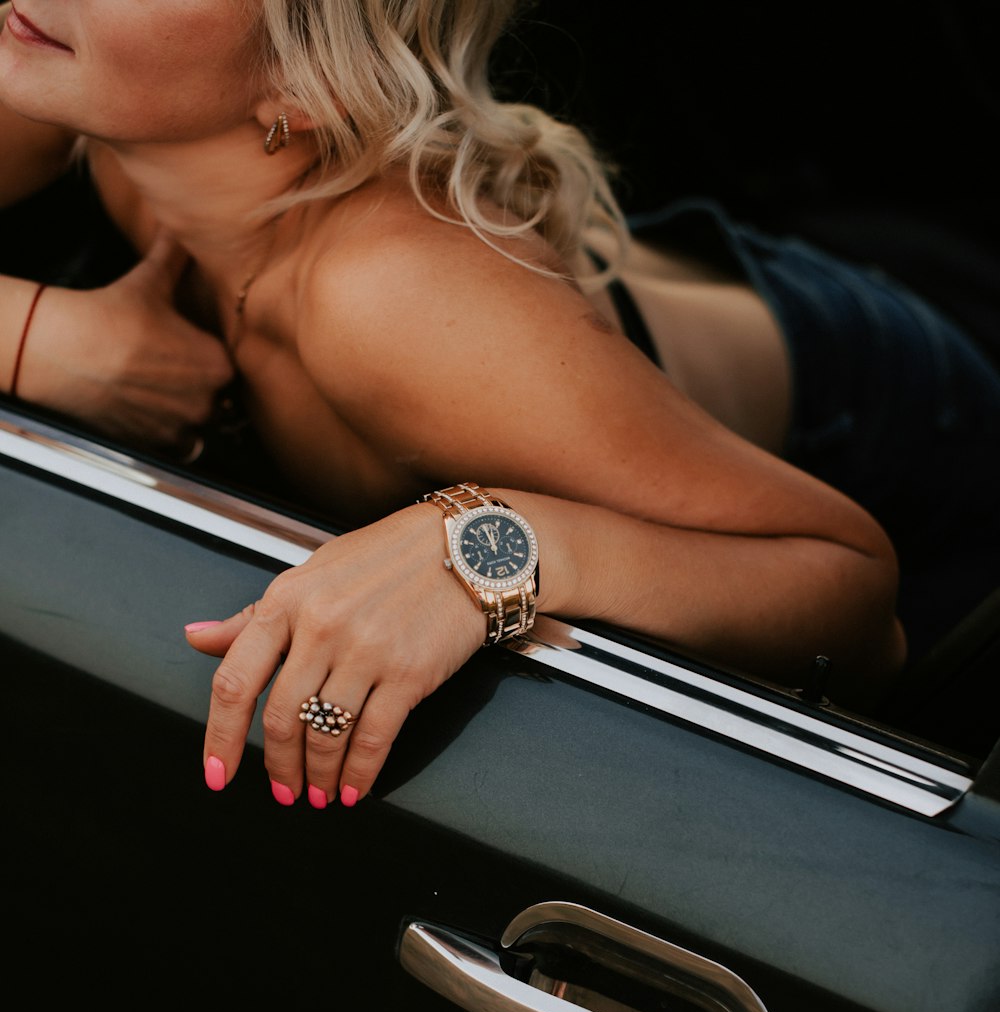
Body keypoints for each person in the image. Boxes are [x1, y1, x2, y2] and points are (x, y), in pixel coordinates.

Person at [0, 0, 995, 811]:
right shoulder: (67, 63)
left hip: (886, 420)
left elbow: (857, 601)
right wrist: (38, 338)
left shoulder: (389, 301)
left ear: (305, 81)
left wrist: (486, 549)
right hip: (626, 299)